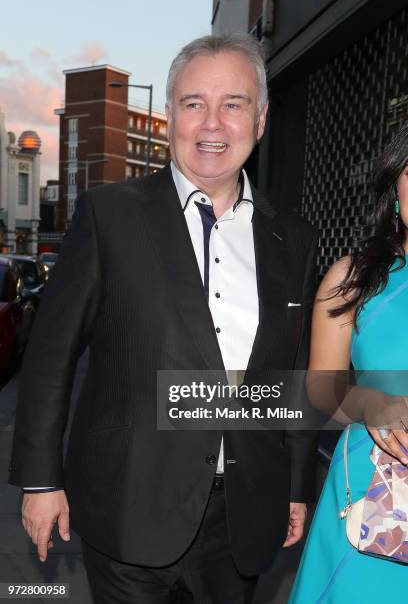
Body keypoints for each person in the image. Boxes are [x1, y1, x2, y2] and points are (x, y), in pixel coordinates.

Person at [9, 35, 318, 604]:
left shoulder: (292, 239)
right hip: (128, 504)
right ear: (170, 113)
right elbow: (51, 356)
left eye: (234, 103)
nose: (213, 123)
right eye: (194, 103)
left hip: (242, 514)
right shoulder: (111, 216)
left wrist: (296, 485)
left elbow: (290, 375)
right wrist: (41, 480)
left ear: (263, 117)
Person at [290, 124, 408, 603]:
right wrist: (370, 402)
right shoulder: (354, 278)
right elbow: (322, 387)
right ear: (395, 188)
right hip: (374, 502)